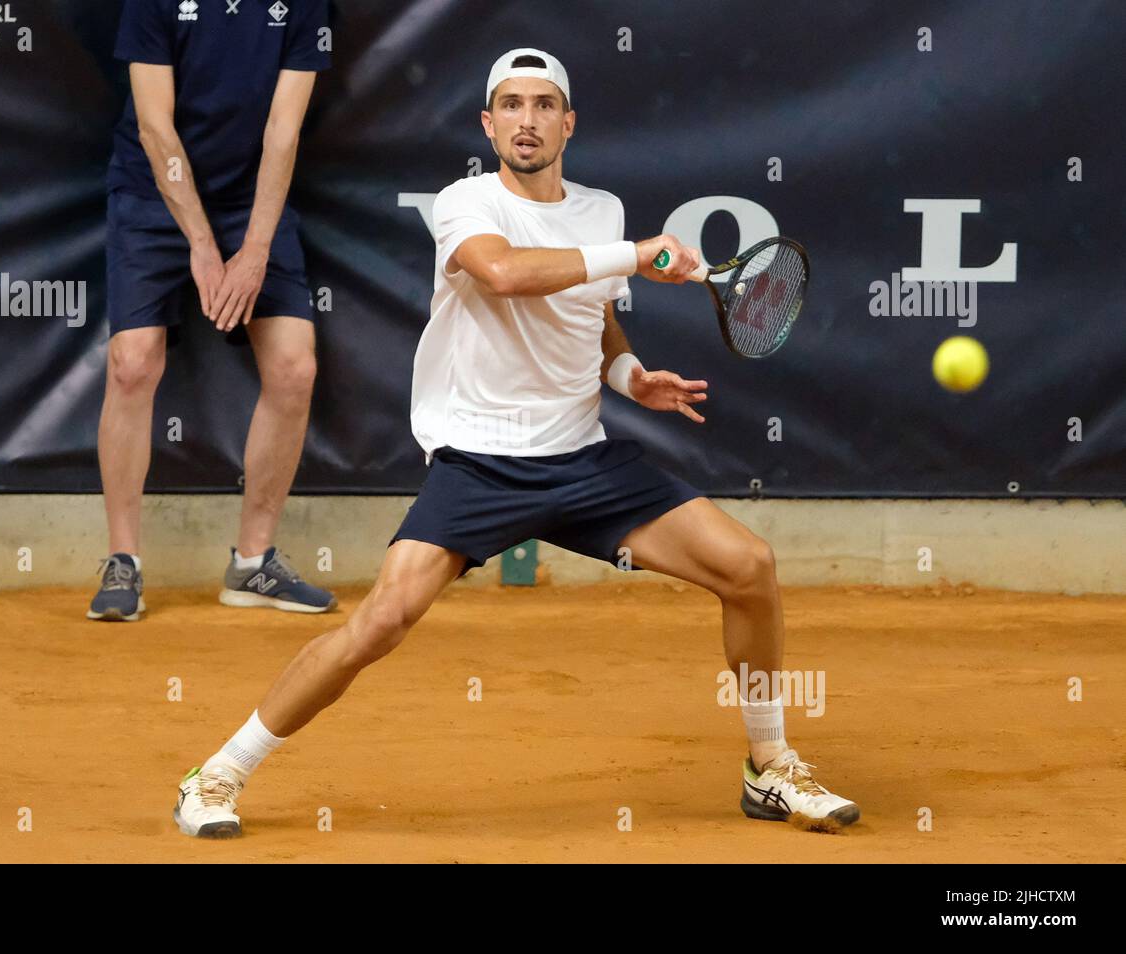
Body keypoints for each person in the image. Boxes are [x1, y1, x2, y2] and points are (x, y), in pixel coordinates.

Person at [173, 48, 859, 836]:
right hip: (480, 461)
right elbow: (504, 274)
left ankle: (769, 767)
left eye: (542, 106)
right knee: (382, 621)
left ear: (567, 122)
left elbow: (593, 315)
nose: (526, 120)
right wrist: (635, 254)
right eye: (510, 105)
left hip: (583, 458)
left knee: (749, 567)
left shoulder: (600, 211)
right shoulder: (466, 202)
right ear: (487, 123)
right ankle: (218, 773)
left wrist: (632, 376)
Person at [89, 0, 336, 621]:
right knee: (132, 363)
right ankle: (123, 562)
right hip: (152, 193)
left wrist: (253, 250)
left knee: (294, 369)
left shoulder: (305, 5)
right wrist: (200, 243)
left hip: (253, 203)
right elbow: (155, 128)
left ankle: (252, 565)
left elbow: (284, 130)